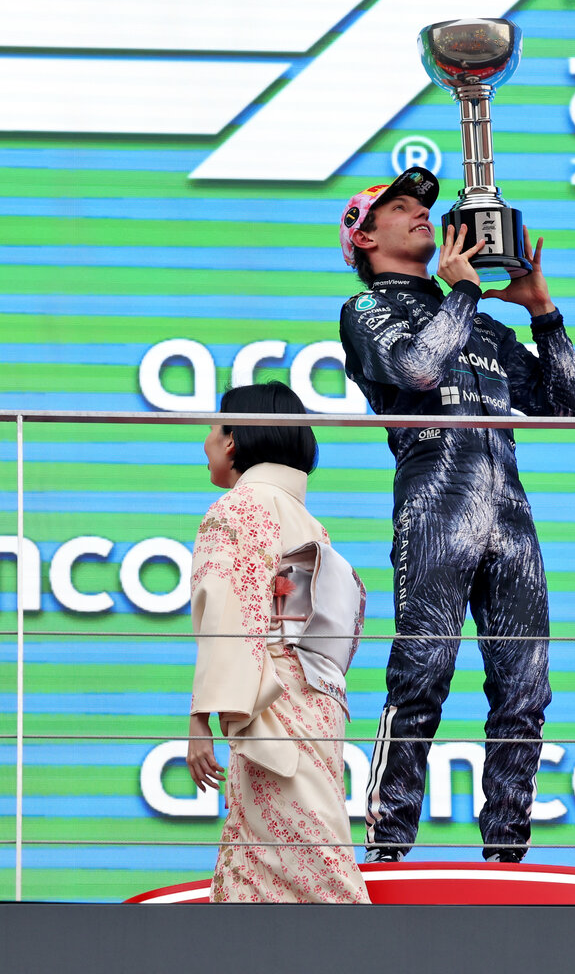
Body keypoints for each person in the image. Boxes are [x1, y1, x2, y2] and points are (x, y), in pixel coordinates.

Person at [336, 169, 575, 862]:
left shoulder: (482, 323)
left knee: (526, 686)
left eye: (424, 207)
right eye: (401, 210)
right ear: (362, 235)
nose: (422, 215)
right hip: (435, 503)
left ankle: (508, 850)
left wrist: (542, 312)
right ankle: (388, 845)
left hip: (510, 513)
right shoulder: (365, 310)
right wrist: (467, 291)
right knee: (422, 671)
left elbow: (565, 409)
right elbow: (416, 370)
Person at [185, 382, 369, 903]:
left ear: (234, 441)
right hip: (315, 704)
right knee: (292, 859)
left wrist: (201, 717)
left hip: (272, 708)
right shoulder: (309, 521)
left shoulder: (236, 507)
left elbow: (228, 605)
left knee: (309, 869)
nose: (206, 441)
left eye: (213, 428)